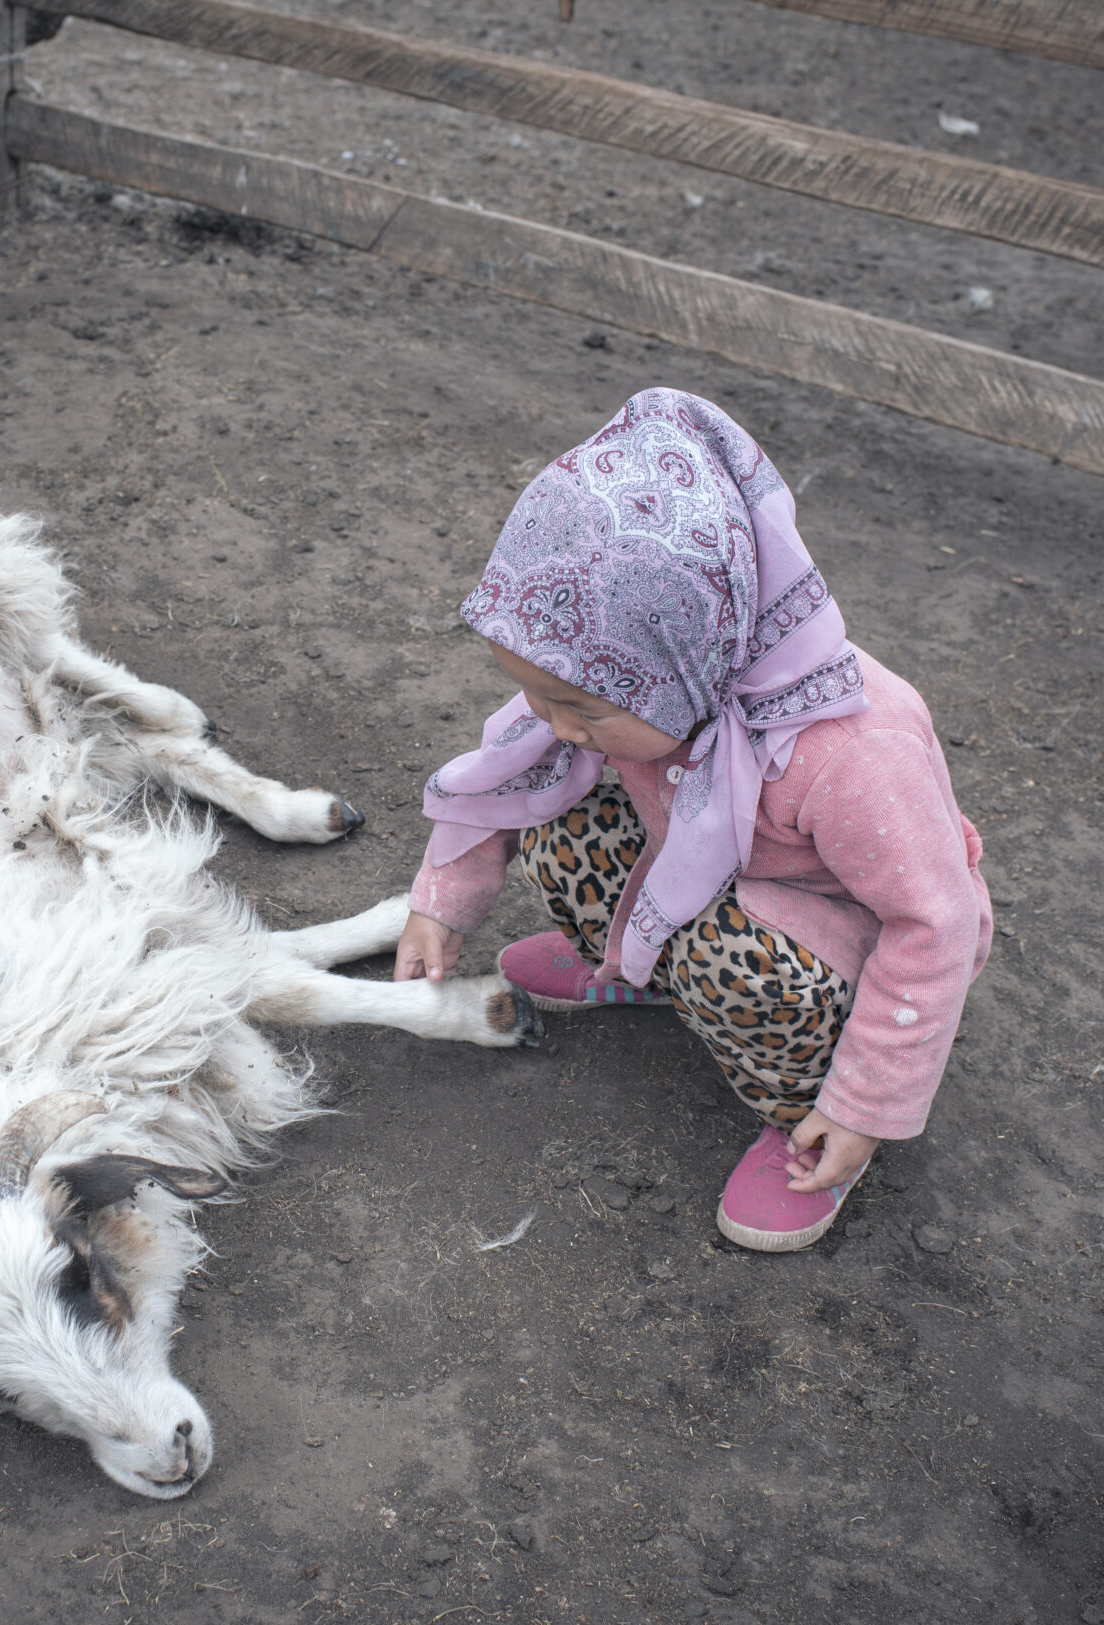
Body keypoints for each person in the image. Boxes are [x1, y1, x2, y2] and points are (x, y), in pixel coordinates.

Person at [393, 389, 991, 1252]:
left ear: (687, 657)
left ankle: (804, 1115)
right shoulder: (631, 683)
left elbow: (933, 924)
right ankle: (638, 964)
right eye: (539, 691)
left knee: (730, 956)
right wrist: (441, 899)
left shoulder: (853, 752)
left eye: (580, 704)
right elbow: (510, 771)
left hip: (845, 946)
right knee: (558, 806)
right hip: (709, 874)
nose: (555, 718)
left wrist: (866, 1105)